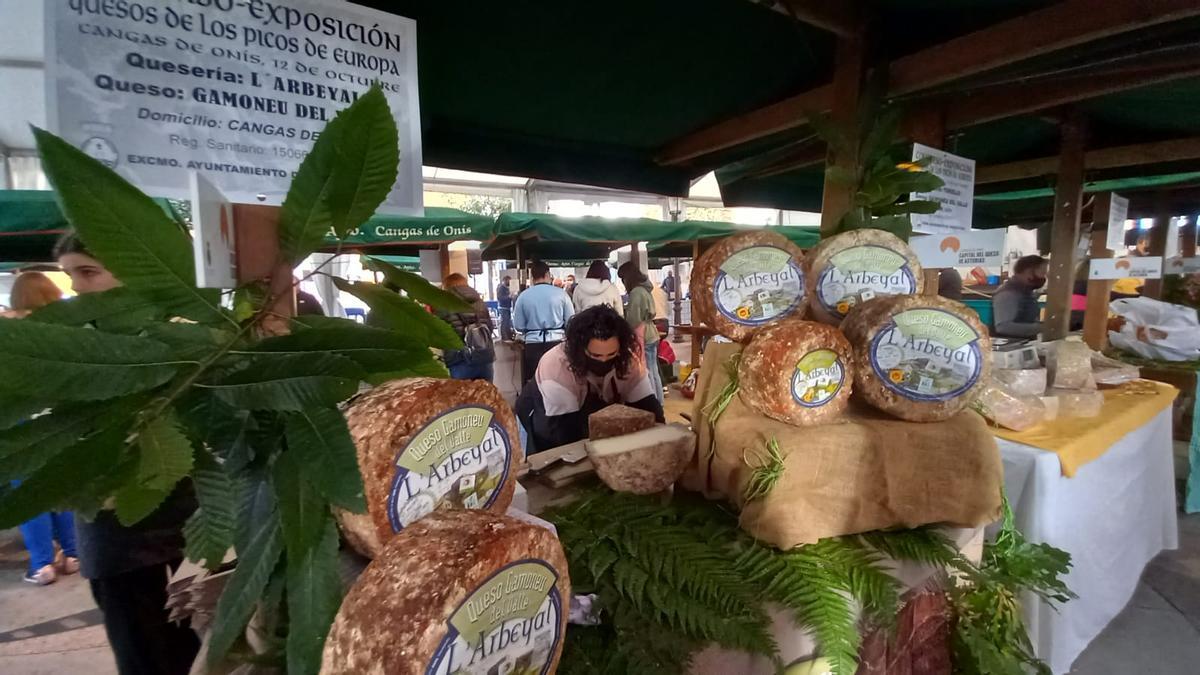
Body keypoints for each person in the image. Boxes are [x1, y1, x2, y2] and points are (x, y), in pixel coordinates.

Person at [53, 233, 201, 675]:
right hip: (115, 535)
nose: (77, 286)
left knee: (204, 649)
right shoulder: (73, 350)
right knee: (142, 651)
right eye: (70, 275)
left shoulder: (182, 336)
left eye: (88, 271)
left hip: (189, 527)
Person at [4, 272, 80, 586]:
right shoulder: (66, 329)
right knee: (61, 486)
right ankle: (74, 555)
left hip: (22, 420)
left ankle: (42, 564)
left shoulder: (10, 331)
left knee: (29, 493)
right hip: (61, 417)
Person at [515, 305, 664, 453]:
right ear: (580, 349)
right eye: (596, 356)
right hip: (546, 418)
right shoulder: (557, 366)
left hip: (583, 417)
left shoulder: (627, 361)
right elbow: (565, 435)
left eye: (611, 354)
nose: (604, 361)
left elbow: (648, 406)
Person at [513, 260, 575, 385]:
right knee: (557, 381)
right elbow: (571, 321)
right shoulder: (561, 294)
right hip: (557, 343)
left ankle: (537, 404)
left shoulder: (523, 296)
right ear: (548, 274)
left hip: (532, 344)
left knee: (535, 381)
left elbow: (518, 326)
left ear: (532, 276)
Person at [618, 262, 664, 404]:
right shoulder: (645, 289)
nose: (623, 282)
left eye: (622, 278)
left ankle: (653, 402)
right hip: (652, 333)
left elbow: (633, 319)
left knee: (646, 371)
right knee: (654, 370)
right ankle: (659, 401)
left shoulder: (636, 292)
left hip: (643, 334)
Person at [437, 273, 496, 382]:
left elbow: (439, 335)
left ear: (446, 286)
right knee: (487, 396)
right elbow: (489, 328)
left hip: (459, 360)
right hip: (484, 357)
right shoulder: (480, 303)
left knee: (463, 397)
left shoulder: (444, 305)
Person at [992, 254, 1048, 338]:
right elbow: (1003, 327)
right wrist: (1043, 328)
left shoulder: (1026, 291)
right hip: (1010, 347)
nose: (1044, 277)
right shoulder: (1008, 294)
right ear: (1028, 272)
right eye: (1042, 273)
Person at [497, 275, 514, 340]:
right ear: (505, 280)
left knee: (507, 322)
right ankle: (504, 337)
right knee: (504, 322)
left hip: (507, 307)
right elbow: (500, 298)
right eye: (508, 281)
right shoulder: (501, 288)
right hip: (503, 307)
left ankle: (508, 336)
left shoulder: (507, 288)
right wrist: (508, 297)